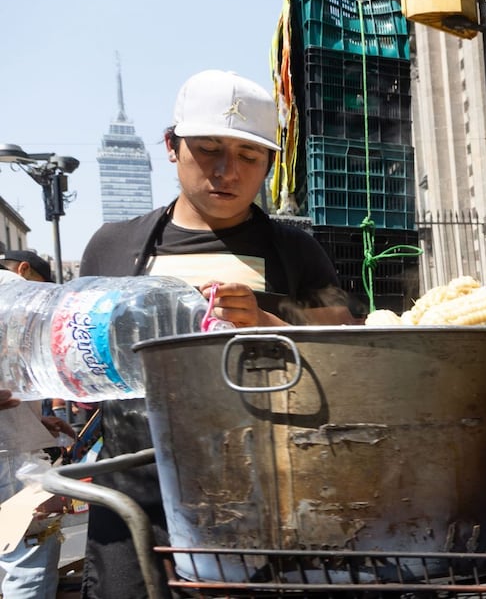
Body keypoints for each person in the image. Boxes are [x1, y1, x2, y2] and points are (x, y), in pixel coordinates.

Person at [78, 69, 353, 599]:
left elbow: (348, 362)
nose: (227, 172)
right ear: (171, 146)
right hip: (137, 496)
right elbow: (78, 355)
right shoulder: (112, 247)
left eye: (249, 158)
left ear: (269, 164)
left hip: (267, 498)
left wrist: (268, 325)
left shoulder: (297, 252)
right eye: (208, 150)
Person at [0, 260, 75, 599]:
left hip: (16, 443)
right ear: (24, 271)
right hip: (11, 458)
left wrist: (36, 418)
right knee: (27, 562)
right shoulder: (10, 289)